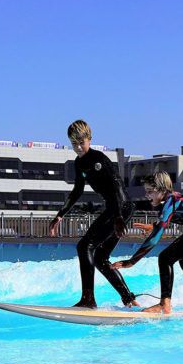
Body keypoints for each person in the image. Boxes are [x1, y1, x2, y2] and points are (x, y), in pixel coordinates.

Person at [112, 170, 183, 314]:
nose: (147, 195)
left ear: (162, 190)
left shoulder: (170, 201)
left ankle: (164, 304)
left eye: (150, 191)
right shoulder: (173, 200)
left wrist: (132, 261)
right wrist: (155, 226)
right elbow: (167, 221)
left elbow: (155, 238)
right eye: (146, 191)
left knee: (165, 258)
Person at [48, 119, 137, 309]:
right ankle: (129, 299)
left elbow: (115, 186)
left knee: (84, 246)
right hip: (116, 210)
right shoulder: (79, 163)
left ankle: (88, 300)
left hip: (120, 208)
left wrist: (119, 217)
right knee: (100, 259)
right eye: (74, 144)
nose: (79, 147)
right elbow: (77, 191)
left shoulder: (99, 159)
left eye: (82, 142)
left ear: (90, 139)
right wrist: (60, 215)